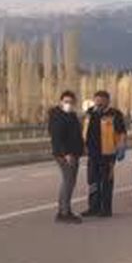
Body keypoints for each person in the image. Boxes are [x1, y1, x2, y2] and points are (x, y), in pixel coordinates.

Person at [82, 90, 127, 217]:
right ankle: (93, 207)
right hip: (92, 153)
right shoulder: (90, 113)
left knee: (106, 181)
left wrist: (121, 146)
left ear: (107, 101)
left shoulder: (114, 114)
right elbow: (84, 130)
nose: (98, 104)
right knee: (92, 181)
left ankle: (106, 209)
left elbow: (121, 132)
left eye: (101, 102)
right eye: (97, 101)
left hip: (108, 154)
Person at [48, 90, 84, 224]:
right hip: (64, 155)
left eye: (71, 102)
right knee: (68, 181)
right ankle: (64, 212)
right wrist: (66, 153)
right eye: (66, 101)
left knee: (70, 182)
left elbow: (76, 134)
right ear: (61, 102)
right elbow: (57, 137)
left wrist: (81, 148)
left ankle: (65, 210)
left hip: (74, 153)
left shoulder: (72, 115)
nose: (68, 104)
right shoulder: (58, 116)